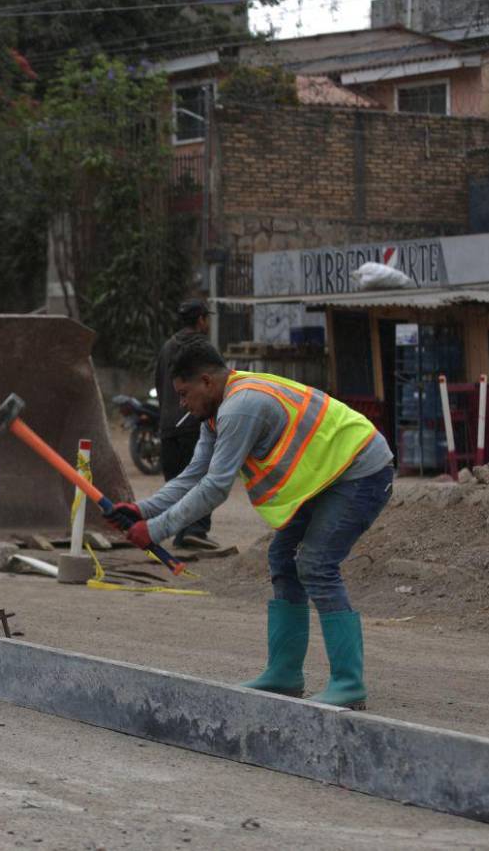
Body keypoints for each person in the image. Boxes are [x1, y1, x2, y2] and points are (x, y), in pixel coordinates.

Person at [110, 341, 393, 710]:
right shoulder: (217, 412)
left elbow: (215, 487)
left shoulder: (241, 408)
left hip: (362, 471)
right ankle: (285, 674)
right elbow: (193, 475)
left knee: (316, 564)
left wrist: (157, 530)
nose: (182, 403)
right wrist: (142, 510)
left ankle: (348, 683)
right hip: (330, 477)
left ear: (207, 382)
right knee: (283, 559)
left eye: (184, 393)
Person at [154, 299, 216, 549]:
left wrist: (166, 416)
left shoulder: (168, 346)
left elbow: (158, 382)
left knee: (177, 481)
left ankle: (182, 531)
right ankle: (196, 531)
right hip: (194, 425)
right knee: (200, 478)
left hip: (168, 426)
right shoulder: (204, 348)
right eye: (206, 318)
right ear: (201, 319)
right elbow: (214, 386)